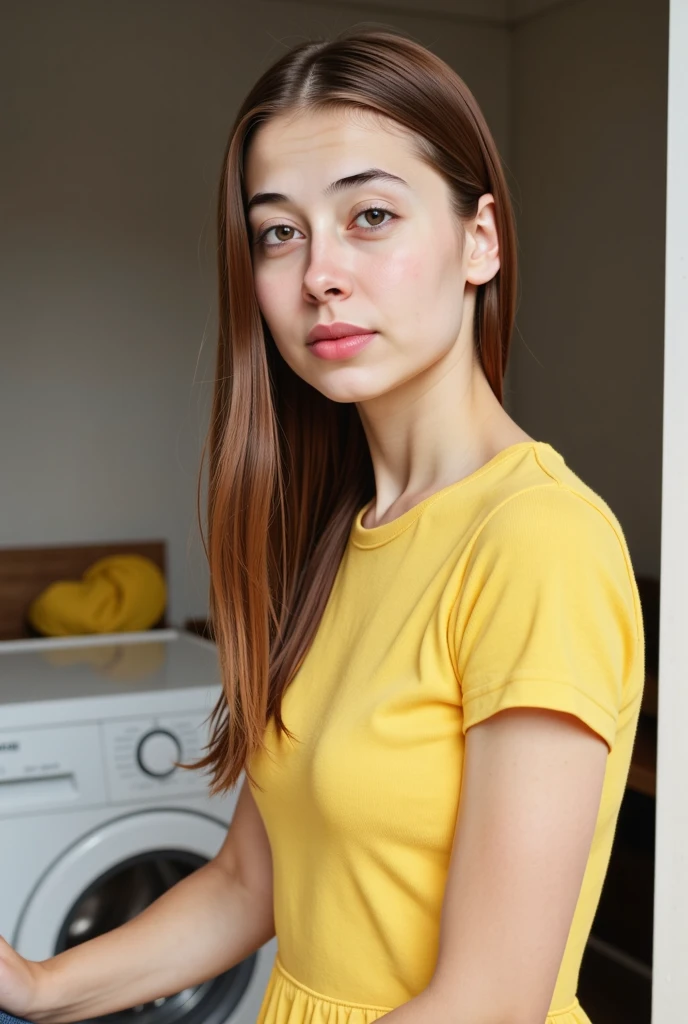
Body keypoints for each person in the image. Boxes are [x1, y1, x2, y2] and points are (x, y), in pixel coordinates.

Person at [0, 27, 645, 1024]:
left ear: (481, 240)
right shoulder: (333, 543)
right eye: (278, 232)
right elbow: (248, 884)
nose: (319, 274)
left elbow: (489, 1002)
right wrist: (37, 987)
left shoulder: (536, 542)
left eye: (370, 215)